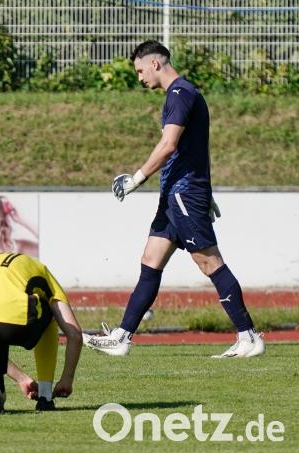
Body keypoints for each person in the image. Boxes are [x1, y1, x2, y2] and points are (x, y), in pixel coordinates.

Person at [83, 40, 264, 358]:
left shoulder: (180, 94)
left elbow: (169, 145)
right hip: (175, 195)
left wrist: (136, 178)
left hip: (183, 194)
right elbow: (195, 149)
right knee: (150, 262)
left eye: (140, 70)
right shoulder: (184, 94)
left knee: (210, 263)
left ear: (155, 63)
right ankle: (122, 337)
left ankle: (249, 337)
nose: (139, 78)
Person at [0, 252, 82, 414]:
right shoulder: (39, 268)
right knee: (51, 308)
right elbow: (74, 333)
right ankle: (45, 396)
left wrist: (21, 378)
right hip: (16, 321)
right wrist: (67, 378)